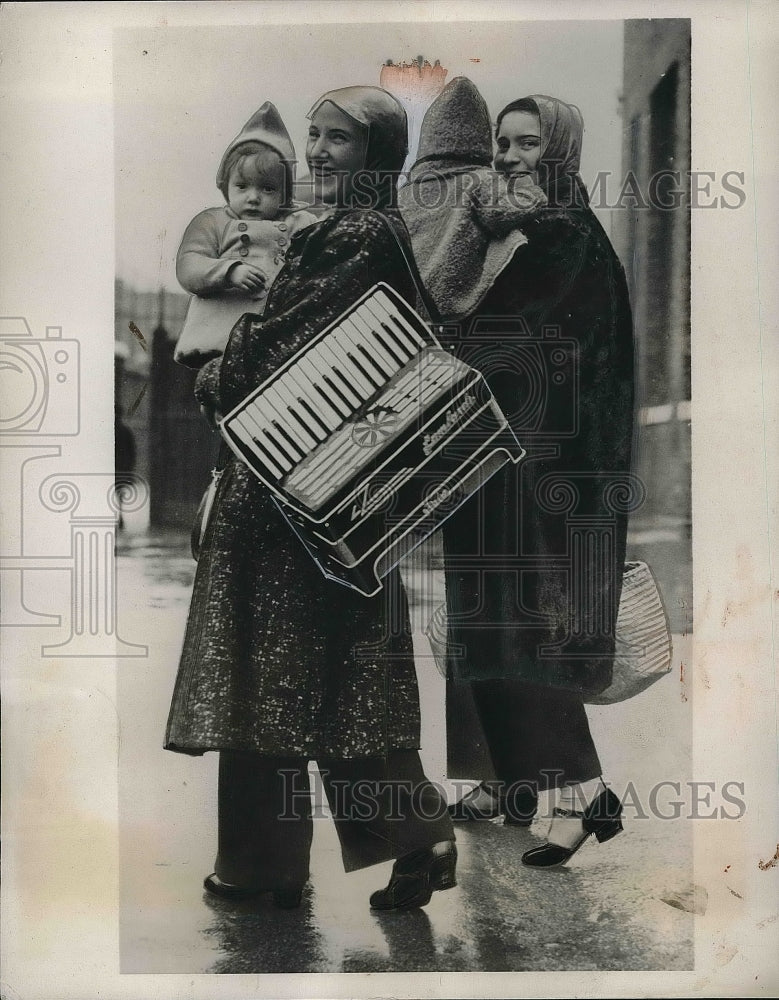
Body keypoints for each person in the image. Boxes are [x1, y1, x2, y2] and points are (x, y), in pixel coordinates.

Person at [164, 85, 456, 910]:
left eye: (341, 141)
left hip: (286, 486)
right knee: (341, 672)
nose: (320, 153)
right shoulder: (380, 231)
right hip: (338, 485)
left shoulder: (351, 235)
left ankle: (263, 868)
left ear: (377, 154)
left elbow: (281, 337)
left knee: (265, 665)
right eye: (316, 137)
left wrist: (218, 371)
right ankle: (413, 832)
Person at [400, 81, 634, 867]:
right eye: (501, 142)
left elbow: (516, 348)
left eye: (526, 142)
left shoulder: (561, 233)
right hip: (501, 460)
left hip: (539, 475)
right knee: (487, 624)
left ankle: (583, 793)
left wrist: (437, 353)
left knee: (525, 628)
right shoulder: (524, 230)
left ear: (559, 152)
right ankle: (521, 786)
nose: (506, 156)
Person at [173, 101, 317, 368]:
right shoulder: (213, 222)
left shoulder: (300, 222)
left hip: (272, 339)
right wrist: (229, 271)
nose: (253, 198)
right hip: (217, 339)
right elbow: (189, 265)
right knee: (220, 397)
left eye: (268, 189)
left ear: (285, 193)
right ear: (225, 185)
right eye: (242, 186)